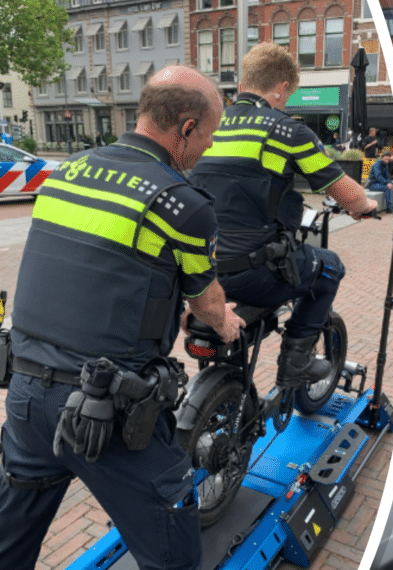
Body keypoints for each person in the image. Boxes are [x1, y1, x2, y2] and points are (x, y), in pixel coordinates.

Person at [0, 66, 245, 570]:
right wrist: (226, 324)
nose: (209, 149)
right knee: (174, 554)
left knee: (10, 546)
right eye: (211, 136)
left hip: (25, 396)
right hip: (108, 413)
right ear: (187, 129)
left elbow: (95, 267)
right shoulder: (183, 204)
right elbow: (207, 302)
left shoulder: (64, 174)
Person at [190, 43, 377, 390]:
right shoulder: (288, 131)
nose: (287, 100)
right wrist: (364, 206)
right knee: (330, 267)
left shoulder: (209, 128)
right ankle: (296, 360)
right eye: (288, 93)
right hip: (255, 271)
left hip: (201, 271)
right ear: (281, 87)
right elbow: (347, 193)